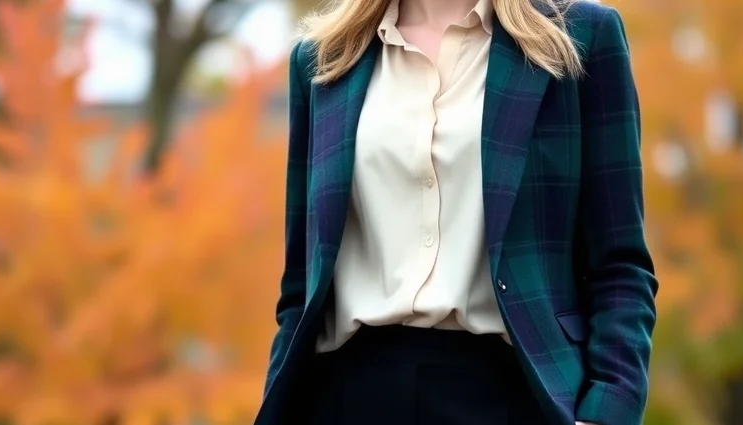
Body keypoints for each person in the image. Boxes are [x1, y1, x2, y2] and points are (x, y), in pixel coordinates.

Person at [254, 0, 658, 424]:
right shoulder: (324, 56)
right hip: (343, 396)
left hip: (511, 395)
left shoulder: (579, 36)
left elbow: (620, 265)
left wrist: (609, 409)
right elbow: (301, 284)